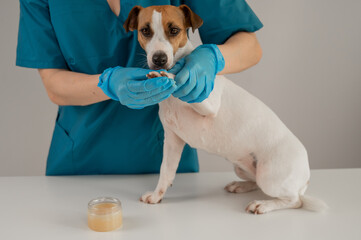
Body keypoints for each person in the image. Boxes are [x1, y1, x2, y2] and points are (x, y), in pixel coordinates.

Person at [16, 0, 263, 175]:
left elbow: (250, 47)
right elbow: (54, 85)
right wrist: (108, 84)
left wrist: (213, 57)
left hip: (167, 164)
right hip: (80, 160)